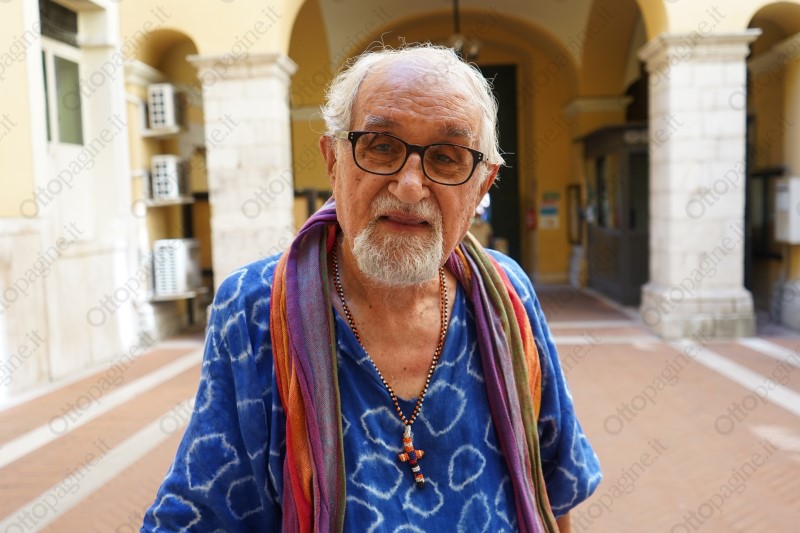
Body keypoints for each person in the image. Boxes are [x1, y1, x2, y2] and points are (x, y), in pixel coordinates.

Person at [142, 44, 601, 532]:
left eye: (447, 157)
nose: (410, 185)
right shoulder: (254, 307)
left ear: (482, 185)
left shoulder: (508, 295)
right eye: (381, 146)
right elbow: (202, 511)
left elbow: (553, 487)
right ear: (333, 160)